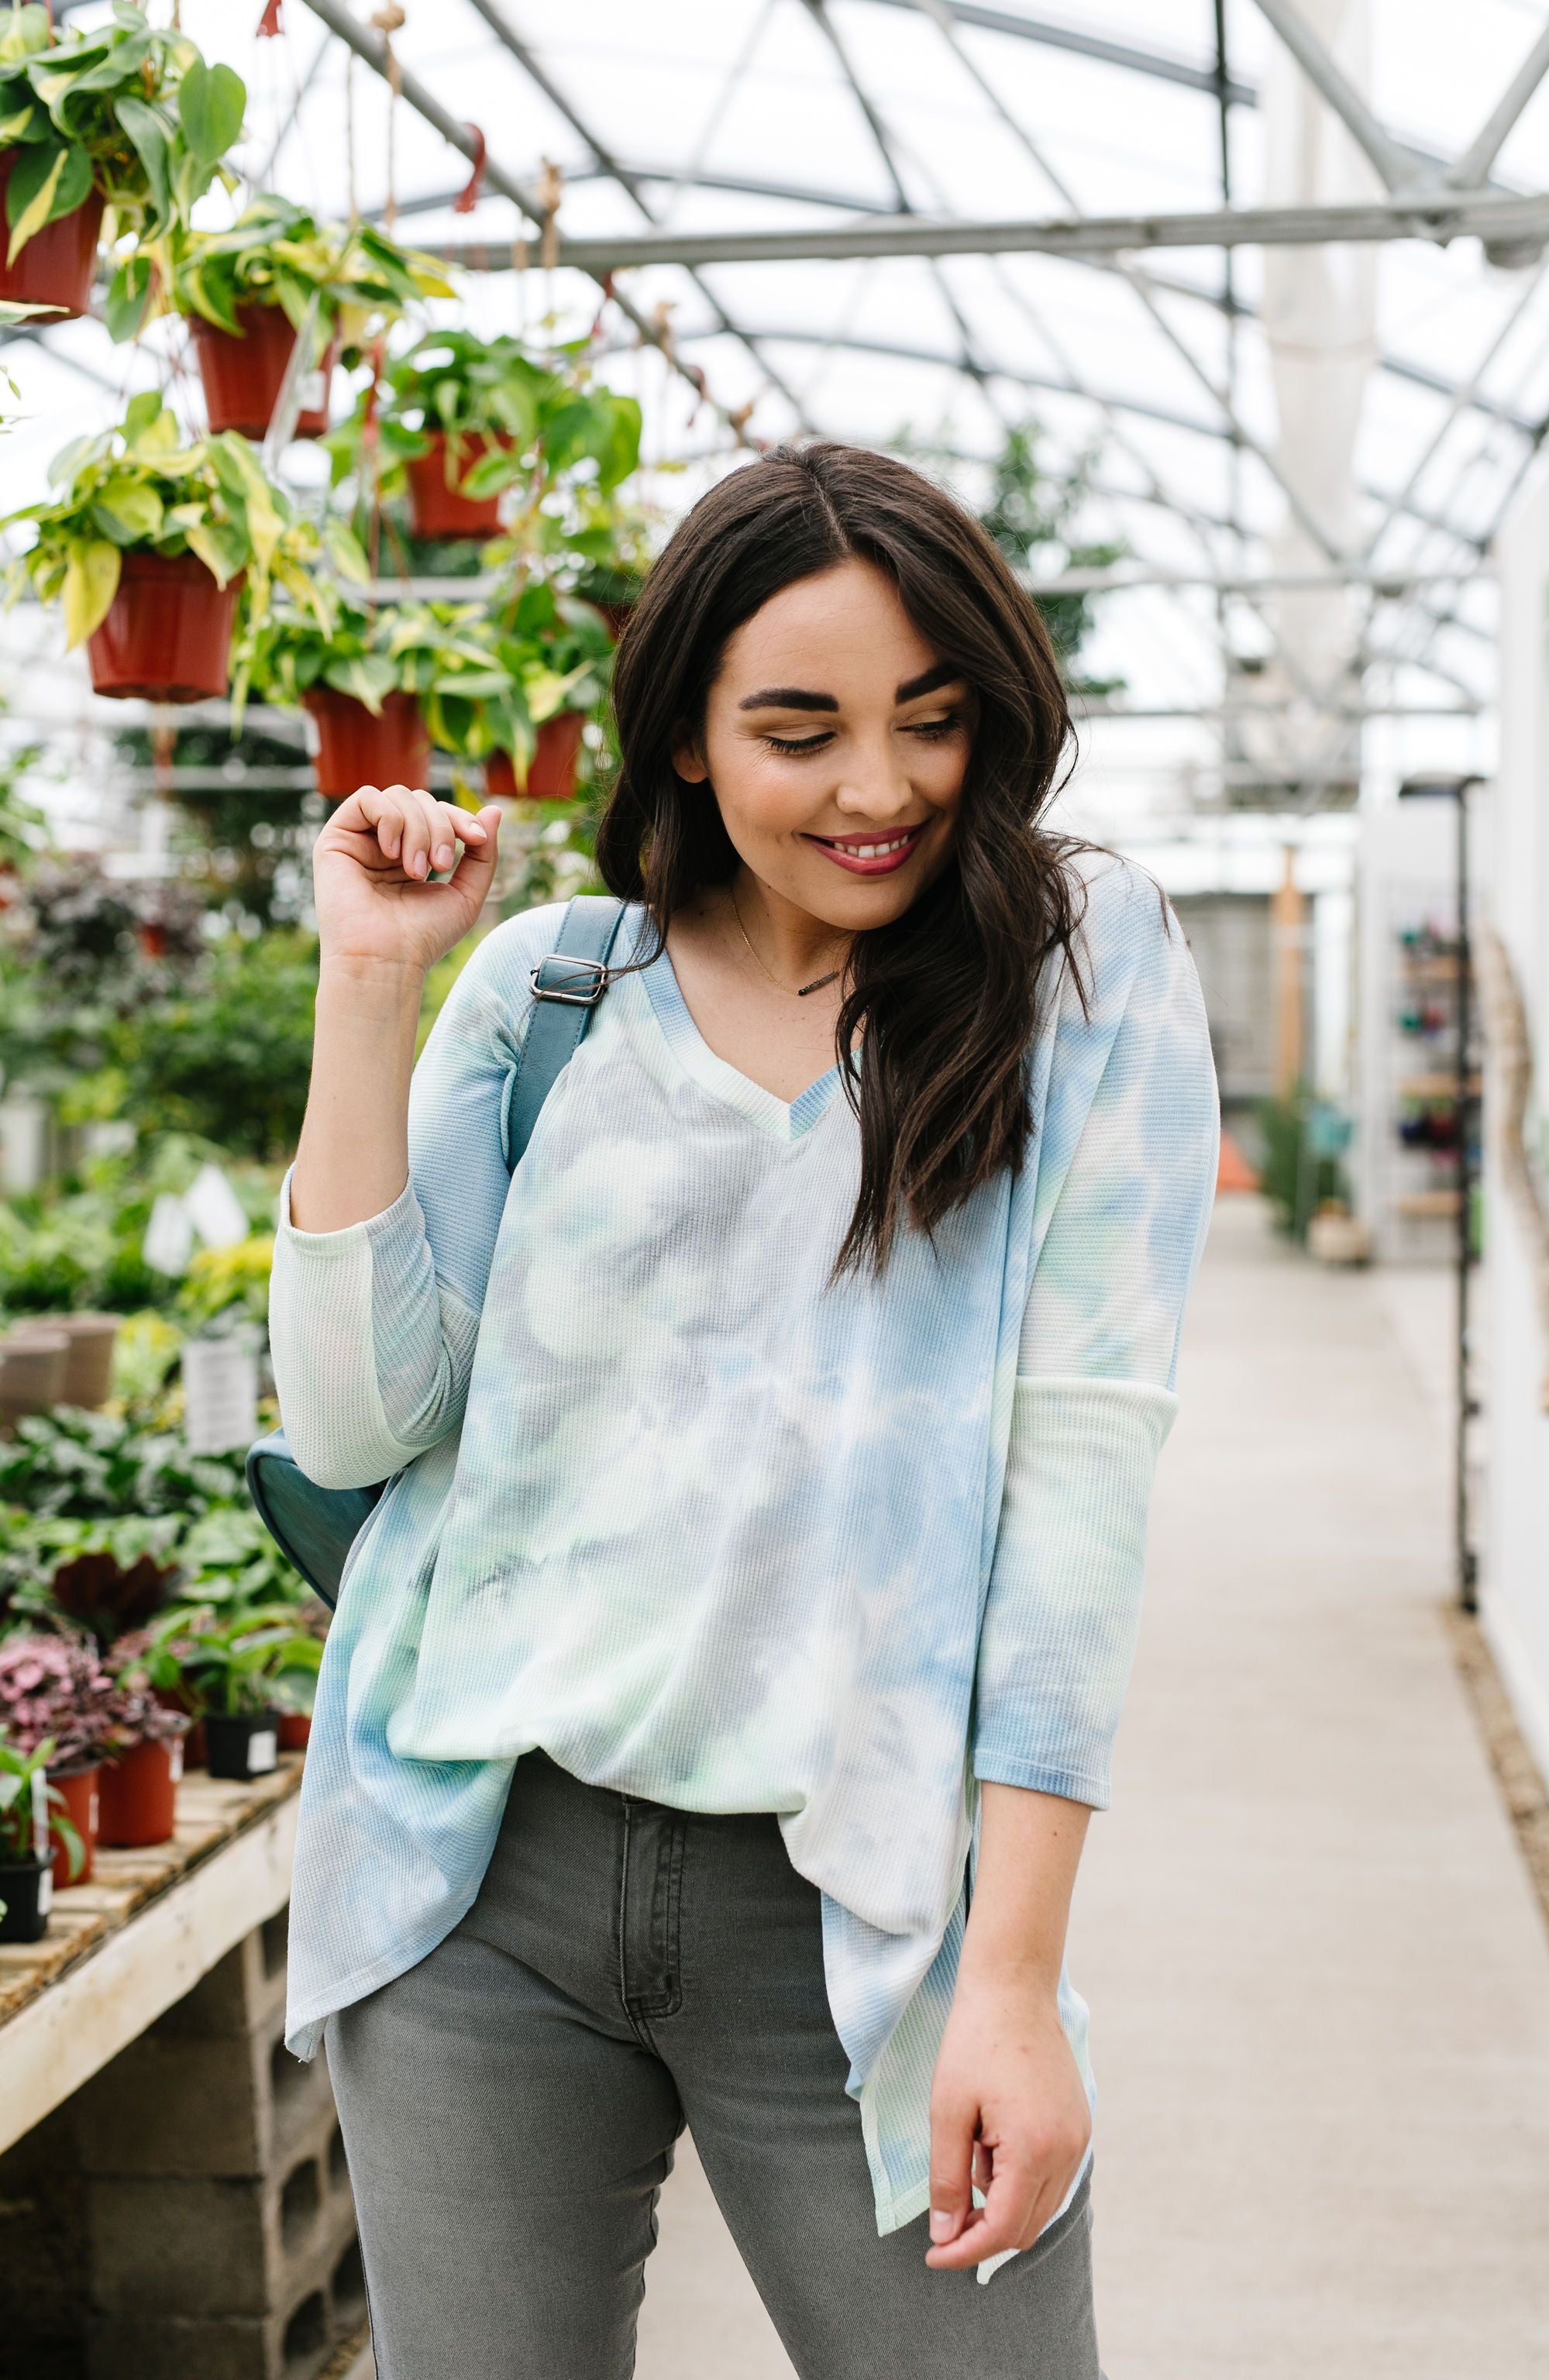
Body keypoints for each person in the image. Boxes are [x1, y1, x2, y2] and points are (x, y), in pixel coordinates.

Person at [272, 440, 1218, 2378]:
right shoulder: (549, 994)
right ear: (689, 737)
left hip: (851, 1906)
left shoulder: (1074, 980)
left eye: (929, 721)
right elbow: (359, 1424)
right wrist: (369, 987)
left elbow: (1078, 1497)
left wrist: (1015, 1985)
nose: (877, 789)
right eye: (800, 729)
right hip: (478, 1884)